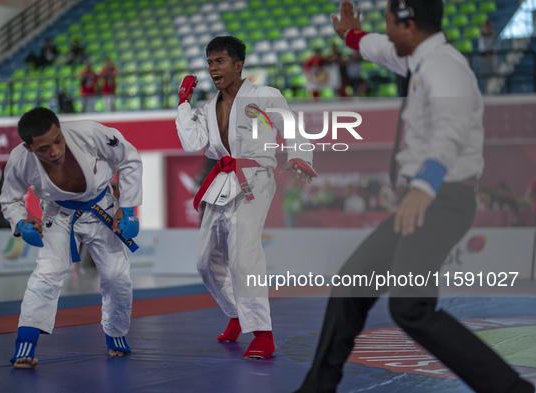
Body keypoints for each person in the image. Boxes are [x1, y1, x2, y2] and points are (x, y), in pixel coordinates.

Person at [294, 1, 535, 392]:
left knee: (410, 306)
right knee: (351, 284)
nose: (386, 32)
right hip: (427, 201)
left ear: (408, 25)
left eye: (388, 24)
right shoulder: (420, 59)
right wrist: (352, 37)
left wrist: (424, 186)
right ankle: (317, 387)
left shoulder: (444, 66)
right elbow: (385, 51)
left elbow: (450, 130)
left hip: (442, 199)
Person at [175, 36, 315, 360]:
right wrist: (183, 102)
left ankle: (263, 335)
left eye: (220, 61)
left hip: (254, 178)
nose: (213, 69)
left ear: (238, 65)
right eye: (210, 63)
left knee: (244, 256)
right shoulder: (208, 108)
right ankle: (237, 313)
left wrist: (300, 154)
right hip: (222, 180)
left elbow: (290, 125)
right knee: (204, 261)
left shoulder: (265, 96)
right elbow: (190, 142)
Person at [0, 107, 143, 369]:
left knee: (116, 276)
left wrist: (129, 208)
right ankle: (25, 343)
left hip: (102, 209)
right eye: (43, 149)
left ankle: (115, 333)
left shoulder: (89, 133)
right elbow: (9, 198)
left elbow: (129, 158)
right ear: (28, 147)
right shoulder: (20, 160)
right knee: (47, 272)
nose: (54, 151)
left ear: (60, 130)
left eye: (57, 140)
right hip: (58, 213)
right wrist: (20, 223)